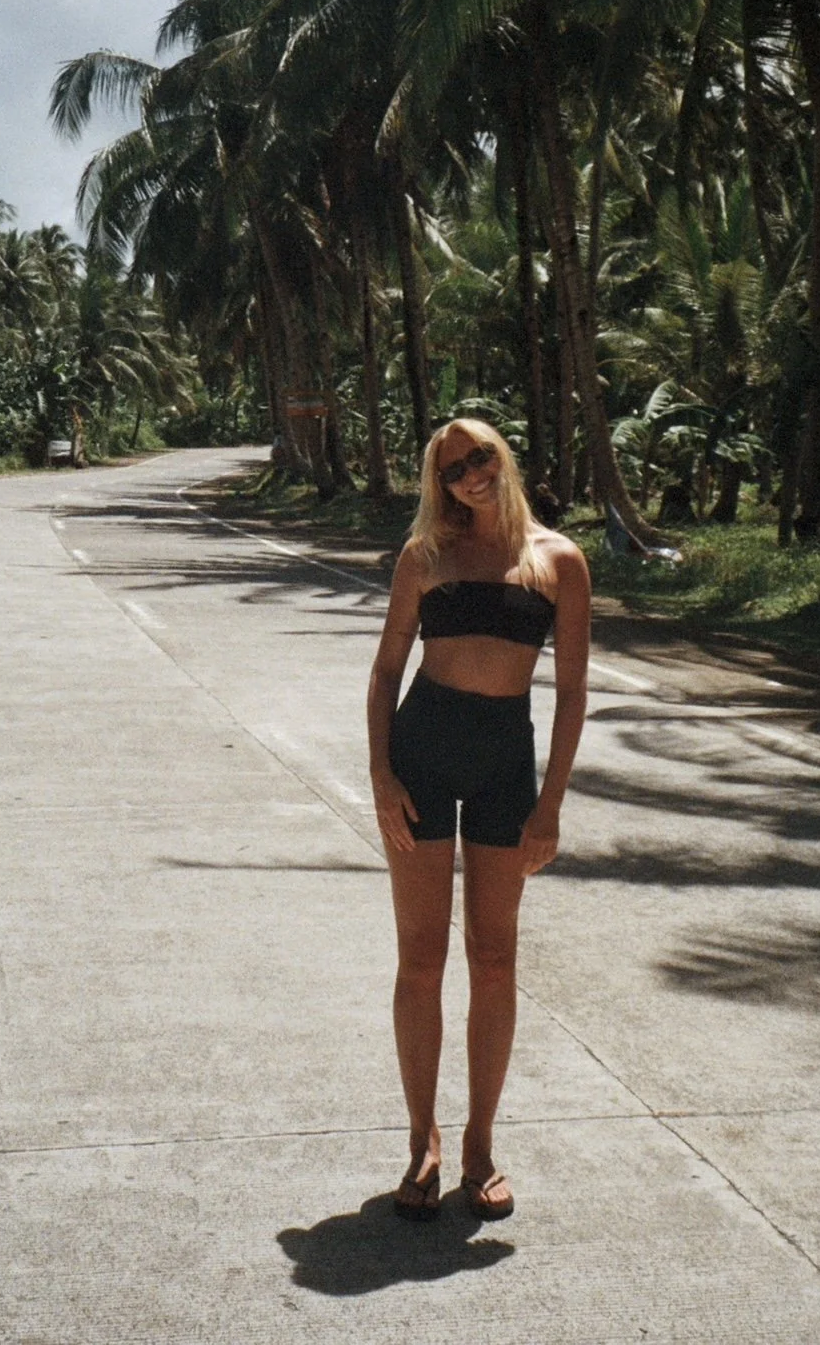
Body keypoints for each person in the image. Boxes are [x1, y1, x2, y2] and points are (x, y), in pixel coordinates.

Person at [367, 417, 591, 1223]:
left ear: (505, 456)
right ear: (439, 481)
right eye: (452, 466)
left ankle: (480, 1148)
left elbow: (569, 692)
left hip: (504, 761)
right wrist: (382, 775)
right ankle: (421, 1141)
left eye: (480, 456)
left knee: (494, 959)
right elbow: (389, 666)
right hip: (423, 750)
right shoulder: (425, 557)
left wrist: (552, 802)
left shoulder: (558, 561)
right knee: (420, 958)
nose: (470, 474)